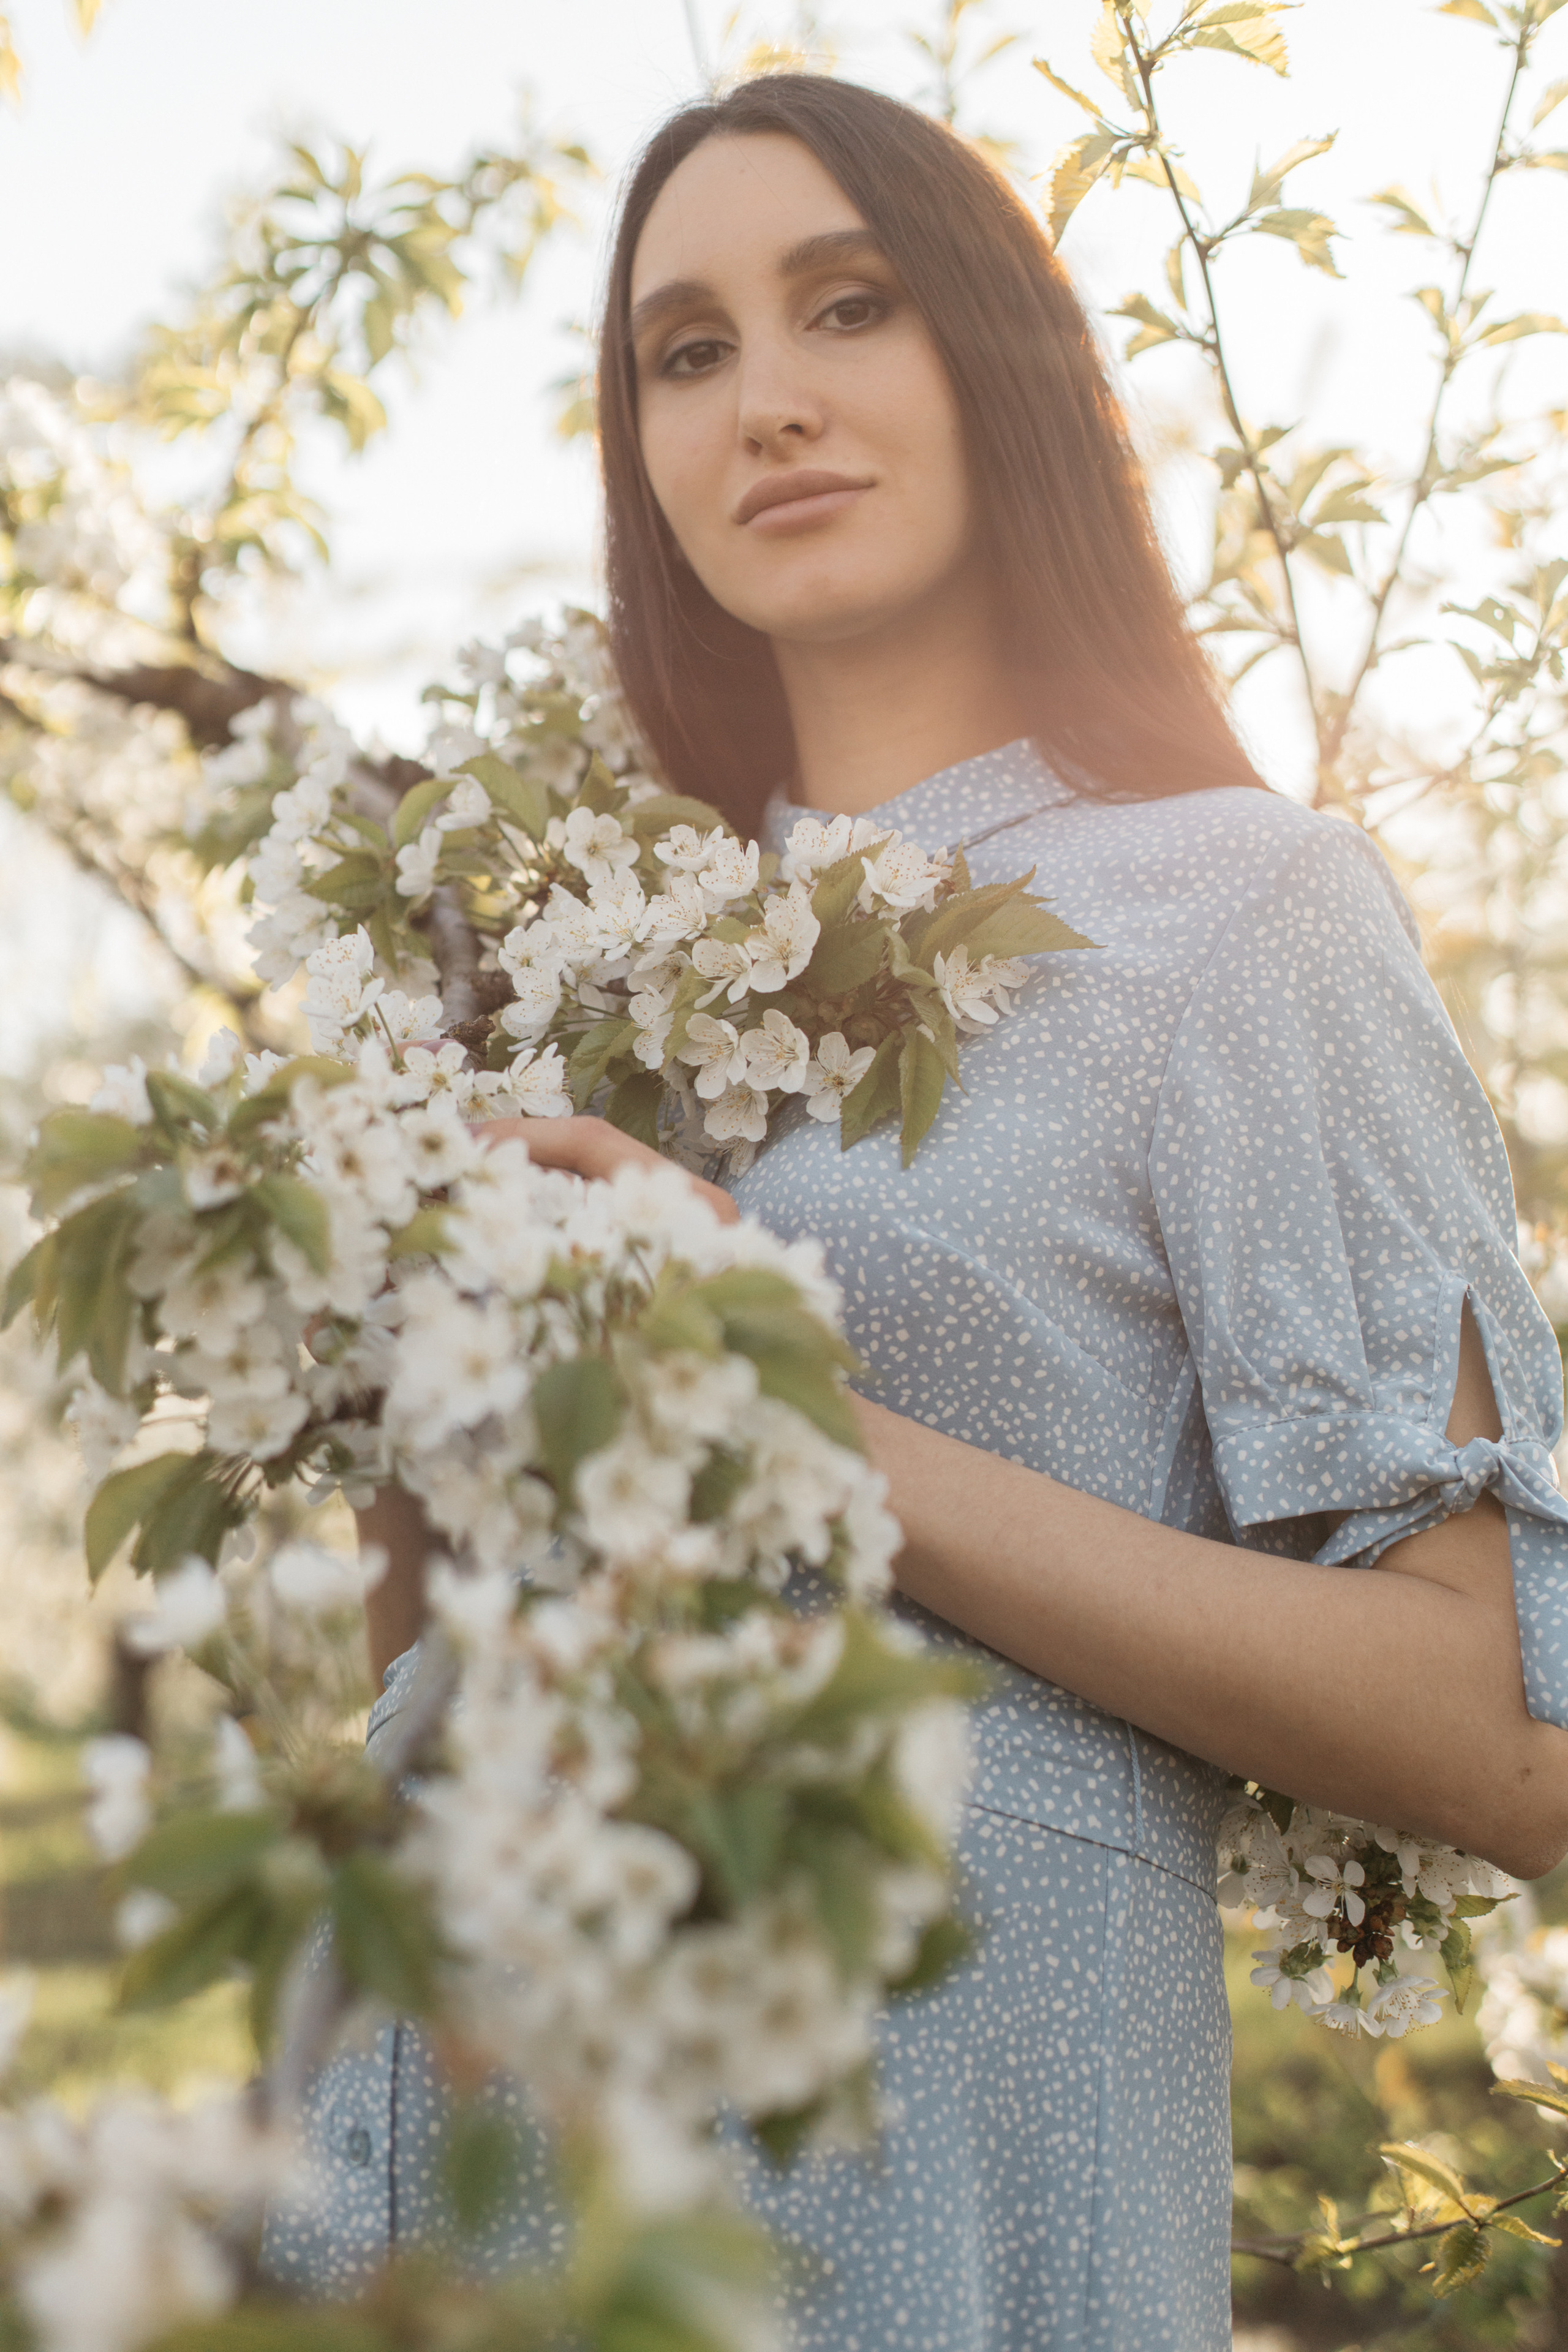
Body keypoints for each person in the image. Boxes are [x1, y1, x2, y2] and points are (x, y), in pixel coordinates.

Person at [267, 74, 1568, 2350]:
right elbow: (436, 1637)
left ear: (998, 358)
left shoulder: (1238, 911)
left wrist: (783, 1411)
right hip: (430, 2112)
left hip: (923, 2128)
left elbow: (1502, 1727)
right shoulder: (570, 954)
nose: (768, 401)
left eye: (845, 306)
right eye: (686, 350)